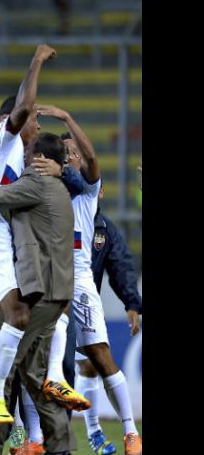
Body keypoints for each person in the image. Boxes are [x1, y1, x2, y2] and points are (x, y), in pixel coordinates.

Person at [0, 132, 77, 455]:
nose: (22, 158)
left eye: (27, 155)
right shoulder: (55, 187)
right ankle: (60, 445)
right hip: (53, 293)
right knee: (33, 373)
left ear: (38, 159)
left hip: (39, 293)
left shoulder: (35, 184)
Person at [36, 104, 142, 455]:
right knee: (30, 358)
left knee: (99, 355)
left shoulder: (85, 194)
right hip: (44, 278)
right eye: (63, 154)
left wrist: (67, 119)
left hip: (79, 281)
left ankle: (130, 432)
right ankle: (34, 439)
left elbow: (93, 161)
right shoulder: (43, 189)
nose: (69, 158)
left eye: (73, 153)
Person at [73, 185, 142, 455]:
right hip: (48, 297)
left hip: (81, 300)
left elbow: (121, 265)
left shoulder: (104, 229)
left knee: (93, 363)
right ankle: (31, 437)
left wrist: (132, 304)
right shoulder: (56, 214)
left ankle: (114, 433)